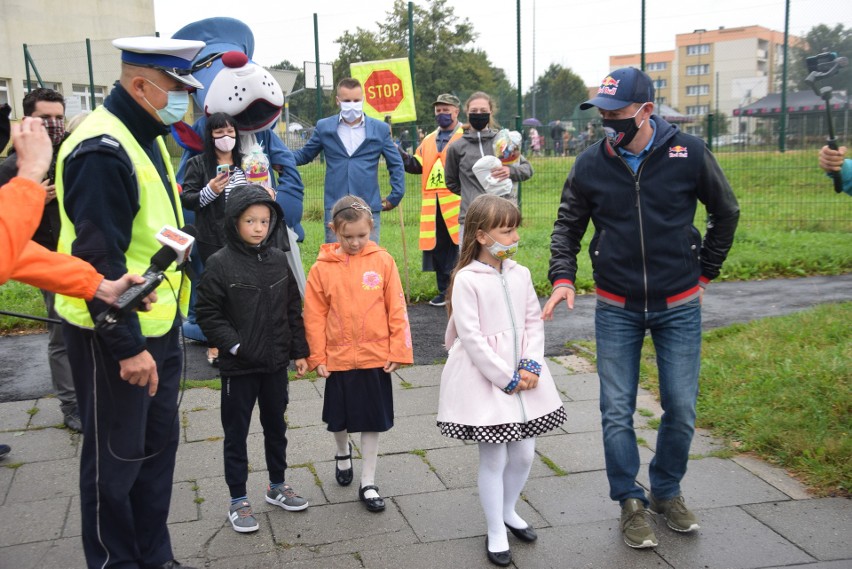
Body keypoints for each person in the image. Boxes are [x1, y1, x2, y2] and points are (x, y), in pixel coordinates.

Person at [542, 67, 740, 549]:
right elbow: (568, 225)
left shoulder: (688, 153)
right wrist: (563, 277)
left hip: (678, 304)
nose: (607, 121)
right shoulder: (590, 163)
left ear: (646, 110)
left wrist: (705, 273)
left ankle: (667, 492)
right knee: (615, 409)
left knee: (681, 407)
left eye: (617, 113)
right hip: (616, 304)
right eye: (601, 113)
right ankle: (629, 500)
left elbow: (725, 211)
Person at [54, 36, 207, 569]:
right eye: (175, 88)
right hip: (114, 336)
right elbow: (97, 259)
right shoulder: (102, 149)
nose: (184, 99)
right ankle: (115, 562)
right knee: (115, 463)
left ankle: (154, 556)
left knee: (155, 454)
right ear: (140, 85)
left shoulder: (145, 132)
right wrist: (125, 346)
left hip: (157, 324)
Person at [437, 194, 566, 566]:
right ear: (481, 235)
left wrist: (531, 365)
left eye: (514, 230)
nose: (514, 238)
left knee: (525, 453)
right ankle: (495, 529)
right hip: (488, 382)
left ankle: (509, 510)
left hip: (525, 378)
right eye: (506, 232)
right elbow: (472, 338)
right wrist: (506, 377)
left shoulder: (520, 274)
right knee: (493, 459)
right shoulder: (466, 280)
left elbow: (531, 322)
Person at [195, 184, 310, 534]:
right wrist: (235, 347)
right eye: (250, 220)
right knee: (237, 433)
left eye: (264, 220)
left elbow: (293, 307)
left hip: (275, 366)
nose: (259, 227)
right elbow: (207, 313)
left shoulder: (278, 259)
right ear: (234, 222)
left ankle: (277, 485)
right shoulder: (219, 264)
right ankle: (237, 500)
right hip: (239, 368)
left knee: (276, 426)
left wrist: (299, 351)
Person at [303, 195, 413, 512]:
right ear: (333, 230)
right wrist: (317, 356)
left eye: (361, 236)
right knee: (337, 420)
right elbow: (313, 315)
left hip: (374, 357)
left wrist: (398, 349)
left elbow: (397, 308)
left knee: (371, 421)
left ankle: (368, 482)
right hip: (337, 360)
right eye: (347, 236)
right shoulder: (321, 269)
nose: (354, 243)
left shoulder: (383, 261)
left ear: (371, 229)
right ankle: (342, 452)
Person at [0, 87, 83, 432]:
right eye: (44, 118)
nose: (53, 125)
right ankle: (71, 405)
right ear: (27, 120)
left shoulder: (76, 153)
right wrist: (34, 198)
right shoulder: (13, 167)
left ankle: (97, 394)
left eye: (58, 118)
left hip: (83, 258)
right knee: (62, 333)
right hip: (44, 261)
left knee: (94, 331)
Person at [292, 77, 406, 243]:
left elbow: (396, 164)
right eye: (347, 100)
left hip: (368, 207)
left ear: (363, 100)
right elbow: (304, 155)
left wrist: (395, 195)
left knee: (367, 258)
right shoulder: (324, 127)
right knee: (335, 259)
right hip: (335, 207)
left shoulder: (379, 129)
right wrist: (279, 156)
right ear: (338, 101)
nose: (352, 104)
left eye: (356, 100)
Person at [180, 112, 249, 366]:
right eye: (219, 132)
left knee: (243, 289)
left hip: (245, 237)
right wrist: (210, 190)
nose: (226, 137)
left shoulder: (247, 162)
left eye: (230, 132)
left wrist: (266, 190)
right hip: (213, 238)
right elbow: (188, 199)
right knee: (216, 291)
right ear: (210, 135)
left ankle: (242, 340)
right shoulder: (198, 164)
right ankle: (216, 342)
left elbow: (257, 193)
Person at [398, 93, 464, 307]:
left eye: (446, 110)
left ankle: (459, 290)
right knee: (437, 247)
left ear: (456, 111)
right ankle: (443, 290)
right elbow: (417, 164)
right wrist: (400, 154)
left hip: (456, 203)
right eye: (438, 111)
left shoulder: (465, 135)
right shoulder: (428, 140)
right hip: (432, 205)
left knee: (458, 248)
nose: (442, 114)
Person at [444, 91, 532, 241]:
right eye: (474, 111)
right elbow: (451, 182)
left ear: (491, 112)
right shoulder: (456, 147)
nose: (479, 114)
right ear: (467, 112)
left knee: (501, 263)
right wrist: (470, 192)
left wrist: (509, 171)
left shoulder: (502, 142)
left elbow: (527, 169)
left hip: (501, 220)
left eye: (483, 111)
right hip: (470, 221)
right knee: (470, 264)